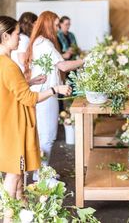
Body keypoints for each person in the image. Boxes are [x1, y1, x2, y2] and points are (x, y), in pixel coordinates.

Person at [0, 16, 71, 209]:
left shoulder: (4, 62)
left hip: (6, 123)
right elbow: (29, 99)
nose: (20, 37)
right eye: (16, 34)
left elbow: (10, 89)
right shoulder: (8, 65)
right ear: (5, 36)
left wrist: (29, 82)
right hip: (13, 124)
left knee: (17, 171)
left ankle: (20, 206)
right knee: (14, 173)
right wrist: (55, 89)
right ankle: (8, 215)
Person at [24, 11, 83, 167]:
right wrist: (84, 60)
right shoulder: (45, 43)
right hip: (47, 94)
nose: (58, 29)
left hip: (42, 92)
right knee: (47, 136)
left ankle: (41, 173)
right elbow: (63, 65)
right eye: (56, 25)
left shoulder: (38, 41)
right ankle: (42, 176)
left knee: (43, 136)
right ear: (48, 24)